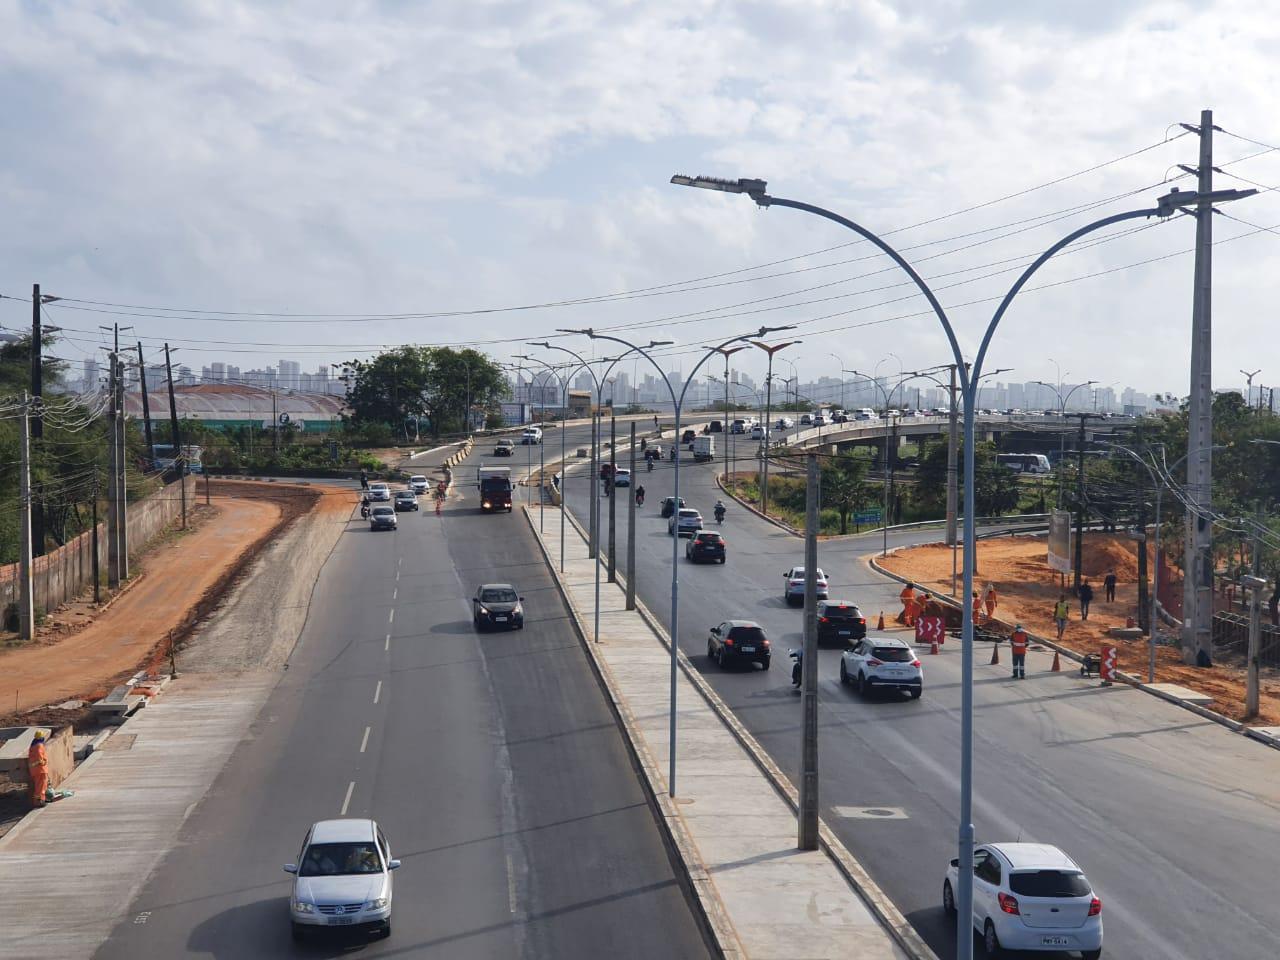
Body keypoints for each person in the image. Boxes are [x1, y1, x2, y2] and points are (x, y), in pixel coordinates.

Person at [27, 729, 49, 808]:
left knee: (39, 785)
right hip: (40, 769)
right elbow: (39, 758)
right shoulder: (39, 746)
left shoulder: (33, 745)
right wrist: (44, 762)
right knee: (41, 786)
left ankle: (40, 800)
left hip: (36, 770)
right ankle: (39, 801)